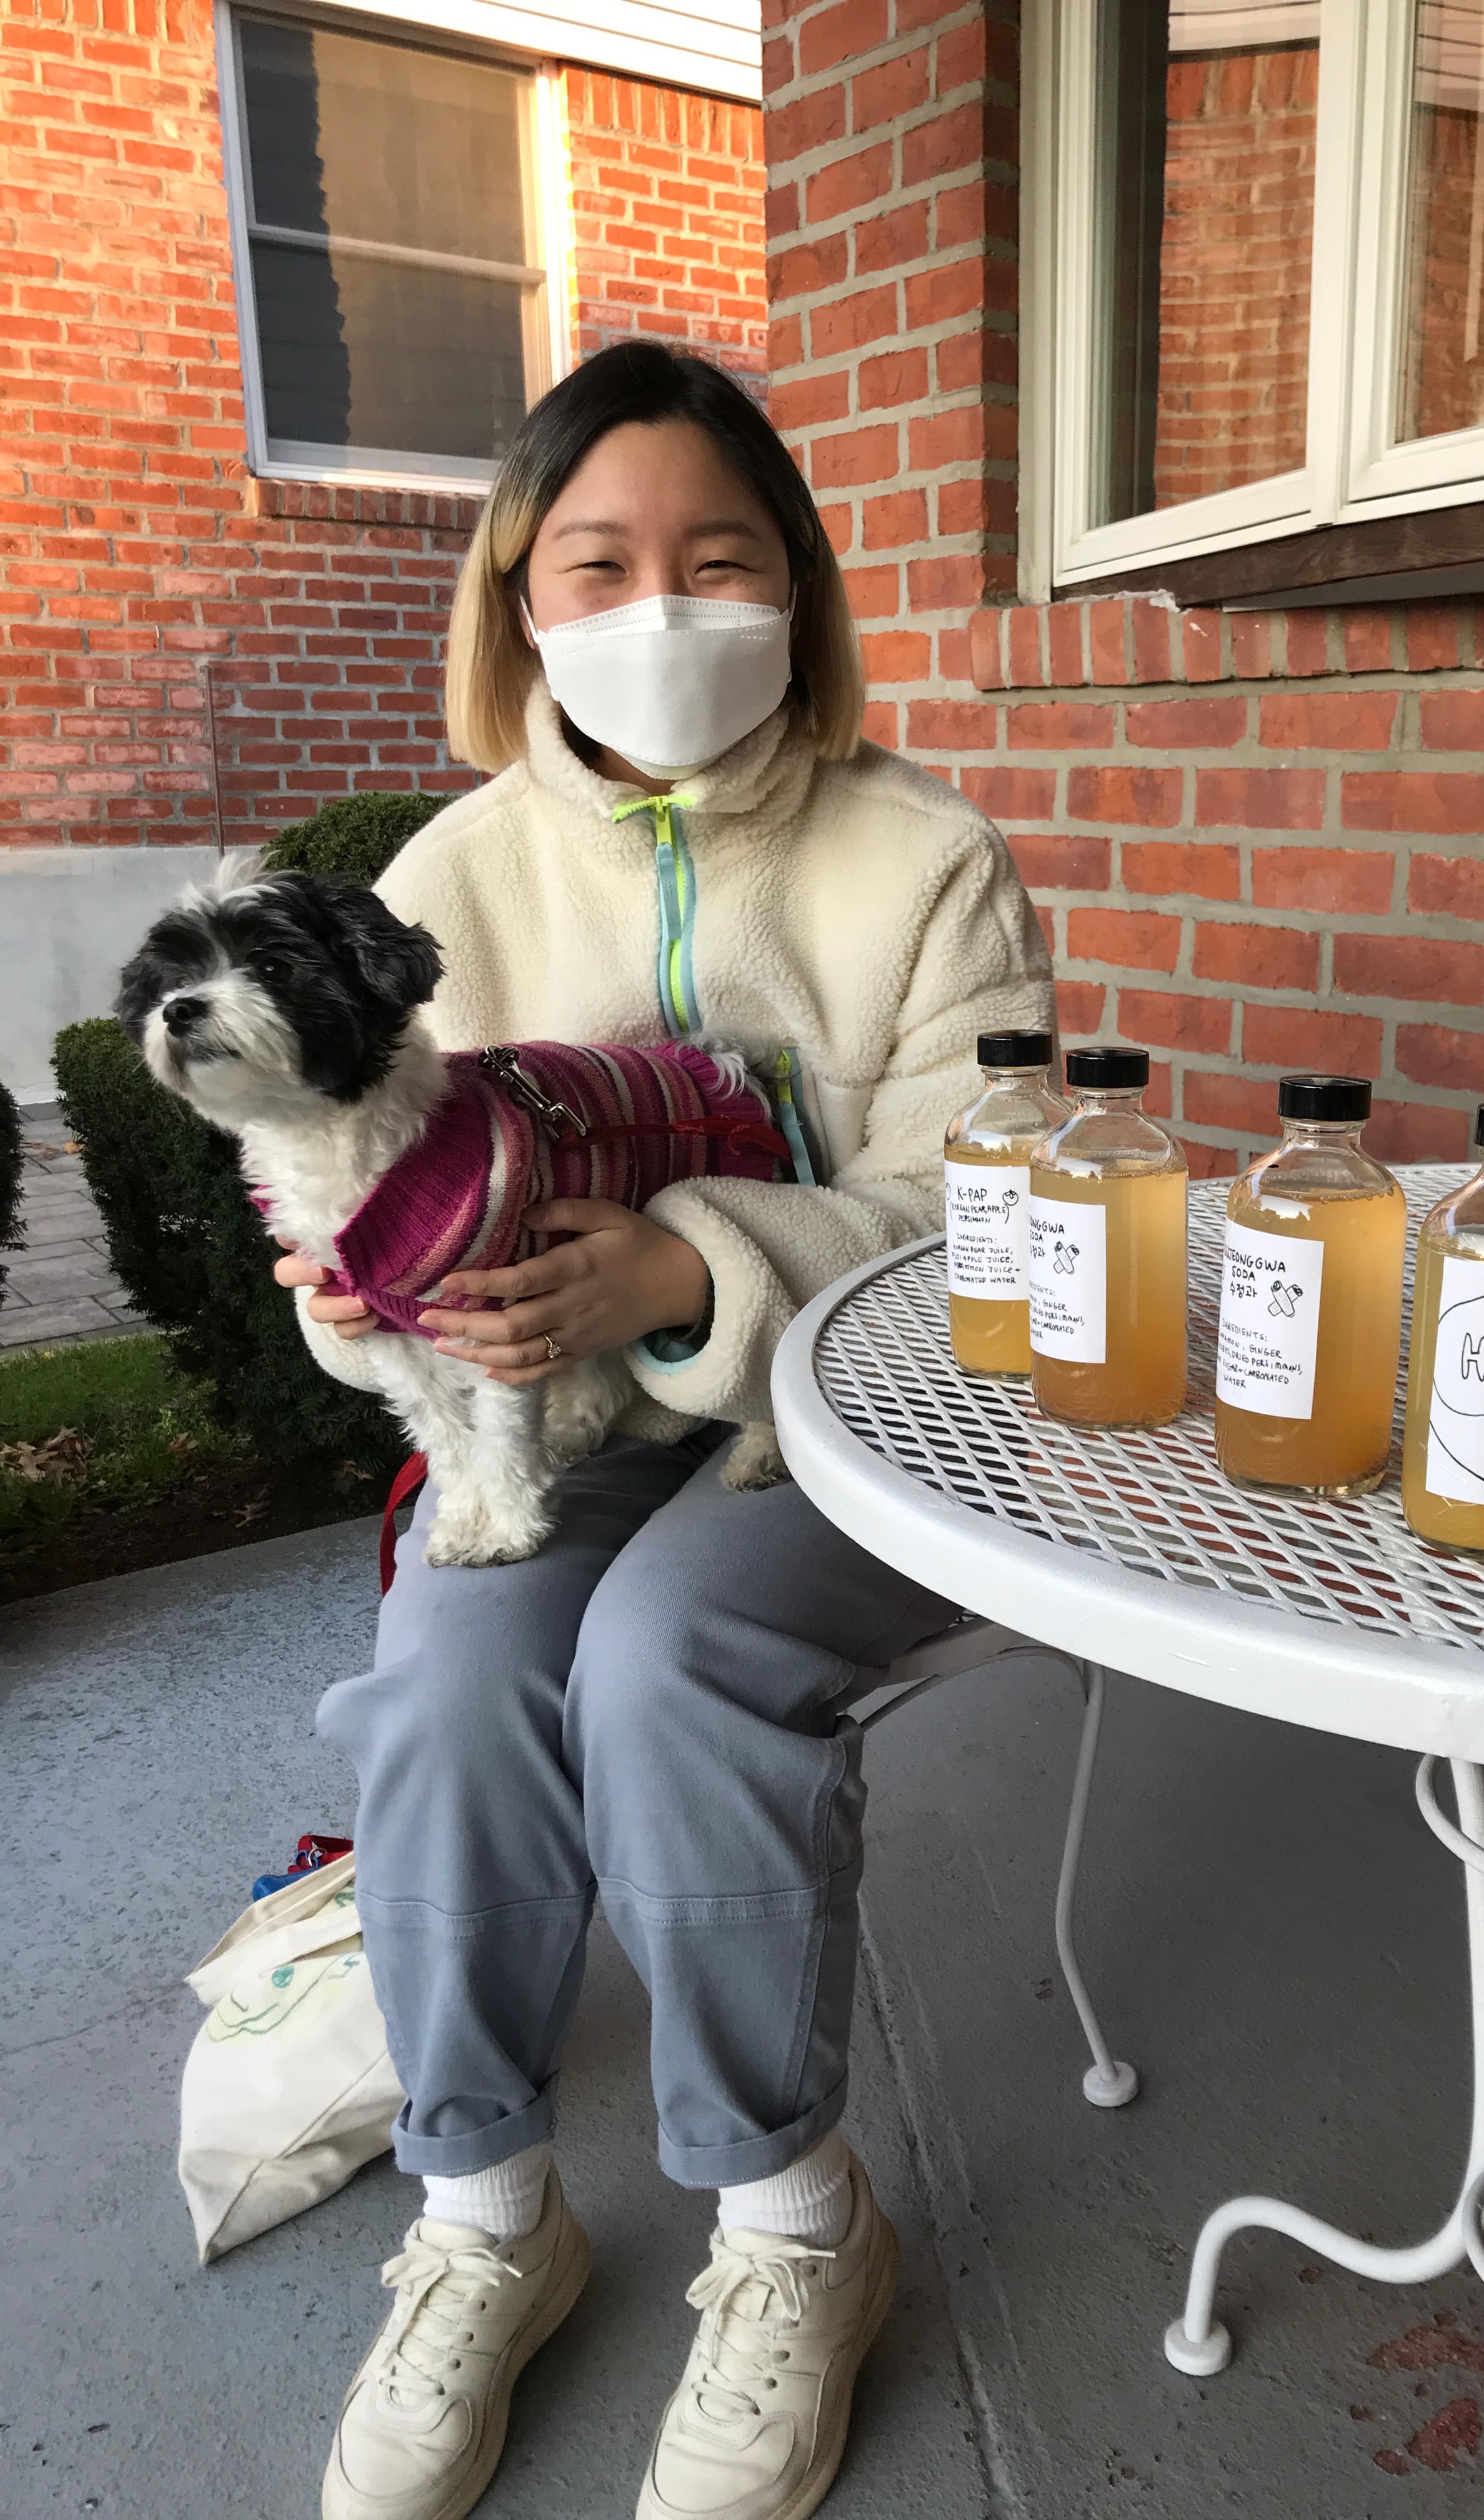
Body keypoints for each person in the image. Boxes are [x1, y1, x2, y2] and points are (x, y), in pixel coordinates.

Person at [276, 341, 1055, 2520]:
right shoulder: (446, 877)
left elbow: (991, 1212)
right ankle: (487, 2216)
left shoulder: (930, 862)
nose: (663, 604)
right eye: (601, 560)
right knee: (445, 1674)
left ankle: (796, 2221)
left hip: (883, 1419)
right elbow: (354, 1231)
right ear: (521, 598)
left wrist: (691, 1265)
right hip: (561, 1428)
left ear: (796, 589)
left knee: (671, 1654)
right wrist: (375, 1307)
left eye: (721, 557)